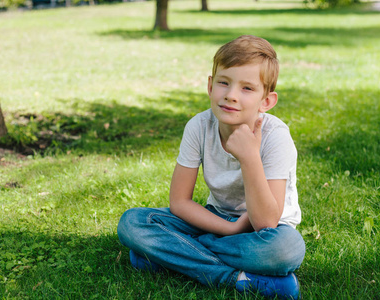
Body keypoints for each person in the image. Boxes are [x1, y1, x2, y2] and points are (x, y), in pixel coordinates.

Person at [117, 35, 305, 299]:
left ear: (267, 101)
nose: (230, 95)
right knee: (133, 222)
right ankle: (236, 278)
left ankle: (174, 254)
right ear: (210, 85)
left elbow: (266, 222)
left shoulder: (276, 136)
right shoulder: (199, 126)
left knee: (286, 250)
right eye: (223, 83)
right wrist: (228, 229)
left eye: (247, 88)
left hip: (265, 233)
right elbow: (179, 202)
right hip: (214, 219)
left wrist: (250, 156)